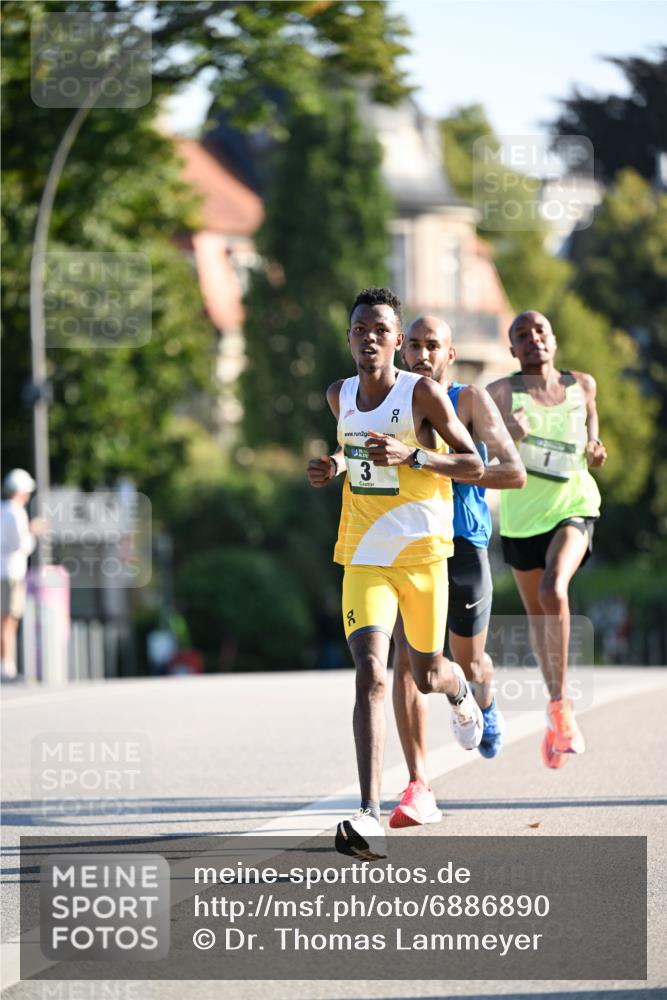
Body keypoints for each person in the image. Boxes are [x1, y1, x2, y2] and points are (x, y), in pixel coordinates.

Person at [307, 287, 484, 861]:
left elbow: (474, 464)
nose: (370, 338)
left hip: (425, 556)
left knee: (428, 675)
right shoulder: (339, 395)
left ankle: (460, 691)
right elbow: (353, 450)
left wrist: (413, 457)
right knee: (373, 675)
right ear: (350, 337)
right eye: (361, 329)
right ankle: (368, 812)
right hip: (362, 556)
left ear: (397, 340)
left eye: (382, 330)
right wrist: (332, 464)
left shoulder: (423, 394)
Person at [389, 316, 526, 828]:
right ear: (404, 352)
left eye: (434, 347)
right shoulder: (392, 400)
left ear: (449, 356)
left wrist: (428, 461)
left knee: (469, 665)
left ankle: (482, 702)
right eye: (416, 346)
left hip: (464, 543)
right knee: (406, 661)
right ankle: (418, 785)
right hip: (411, 543)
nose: (423, 354)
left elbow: (513, 472)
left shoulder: (469, 401)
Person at [487, 310, 606, 768]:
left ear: (553, 339)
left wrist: (594, 446)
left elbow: (591, 423)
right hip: (521, 519)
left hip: (574, 506)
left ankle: (561, 705)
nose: (533, 339)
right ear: (512, 349)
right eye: (522, 335)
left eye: (540, 331)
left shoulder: (583, 384)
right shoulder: (500, 392)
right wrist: (506, 438)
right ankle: (557, 714)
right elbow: (478, 452)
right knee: (539, 616)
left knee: (553, 587)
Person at [1, 469, 45, 682]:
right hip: (10, 572)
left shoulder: (2, 510)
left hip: (4, 571)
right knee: (9, 621)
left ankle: (6, 665)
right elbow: (20, 544)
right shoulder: (16, 512)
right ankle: (6, 667)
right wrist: (32, 531)